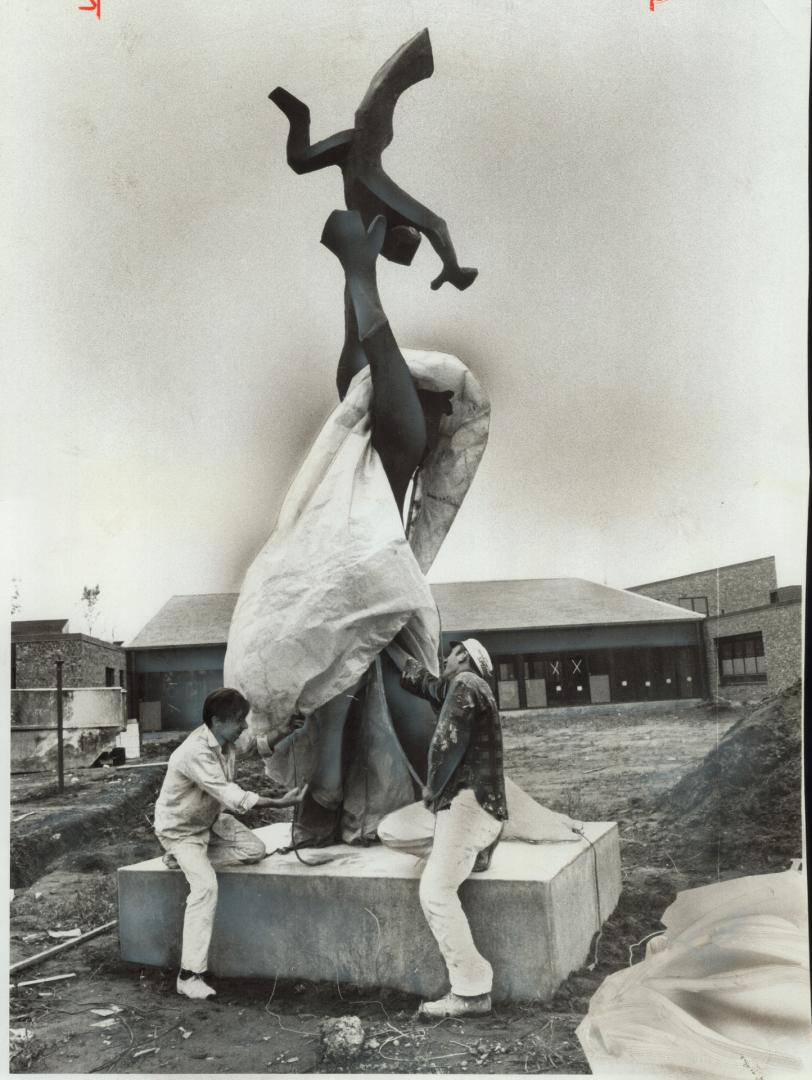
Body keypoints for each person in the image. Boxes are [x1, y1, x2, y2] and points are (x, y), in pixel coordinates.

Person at [153, 687, 306, 1000]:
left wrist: (285, 731)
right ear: (216, 721)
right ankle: (189, 975)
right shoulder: (194, 752)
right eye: (239, 721)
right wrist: (279, 802)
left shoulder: (228, 739)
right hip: (181, 831)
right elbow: (232, 795)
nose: (244, 727)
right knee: (205, 887)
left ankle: (181, 861)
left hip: (209, 822)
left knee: (255, 850)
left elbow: (257, 745)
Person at [384, 637, 507, 1019]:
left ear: (464, 658)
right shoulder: (462, 687)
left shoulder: (467, 684)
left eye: (451, 654)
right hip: (474, 809)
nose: (444, 658)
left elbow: (445, 742)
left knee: (435, 892)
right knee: (390, 830)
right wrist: (390, 643)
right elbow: (424, 683)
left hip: (468, 804)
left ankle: (472, 991)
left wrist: (432, 788)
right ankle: (474, 852)